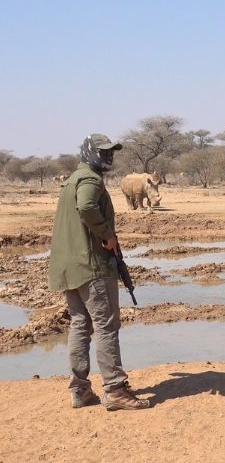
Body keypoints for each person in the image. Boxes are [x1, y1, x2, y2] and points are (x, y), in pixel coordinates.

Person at [48, 133, 150, 410]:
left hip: (71, 267)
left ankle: (80, 390)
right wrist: (107, 236)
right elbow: (87, 207)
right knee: (106, 326)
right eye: (103, 151)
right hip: (92, 265)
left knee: (80, 324)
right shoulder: (90, 180)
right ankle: (115, 388)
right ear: (89, 152)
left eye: (111, 152)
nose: (109, 157)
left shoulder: (73, 179)